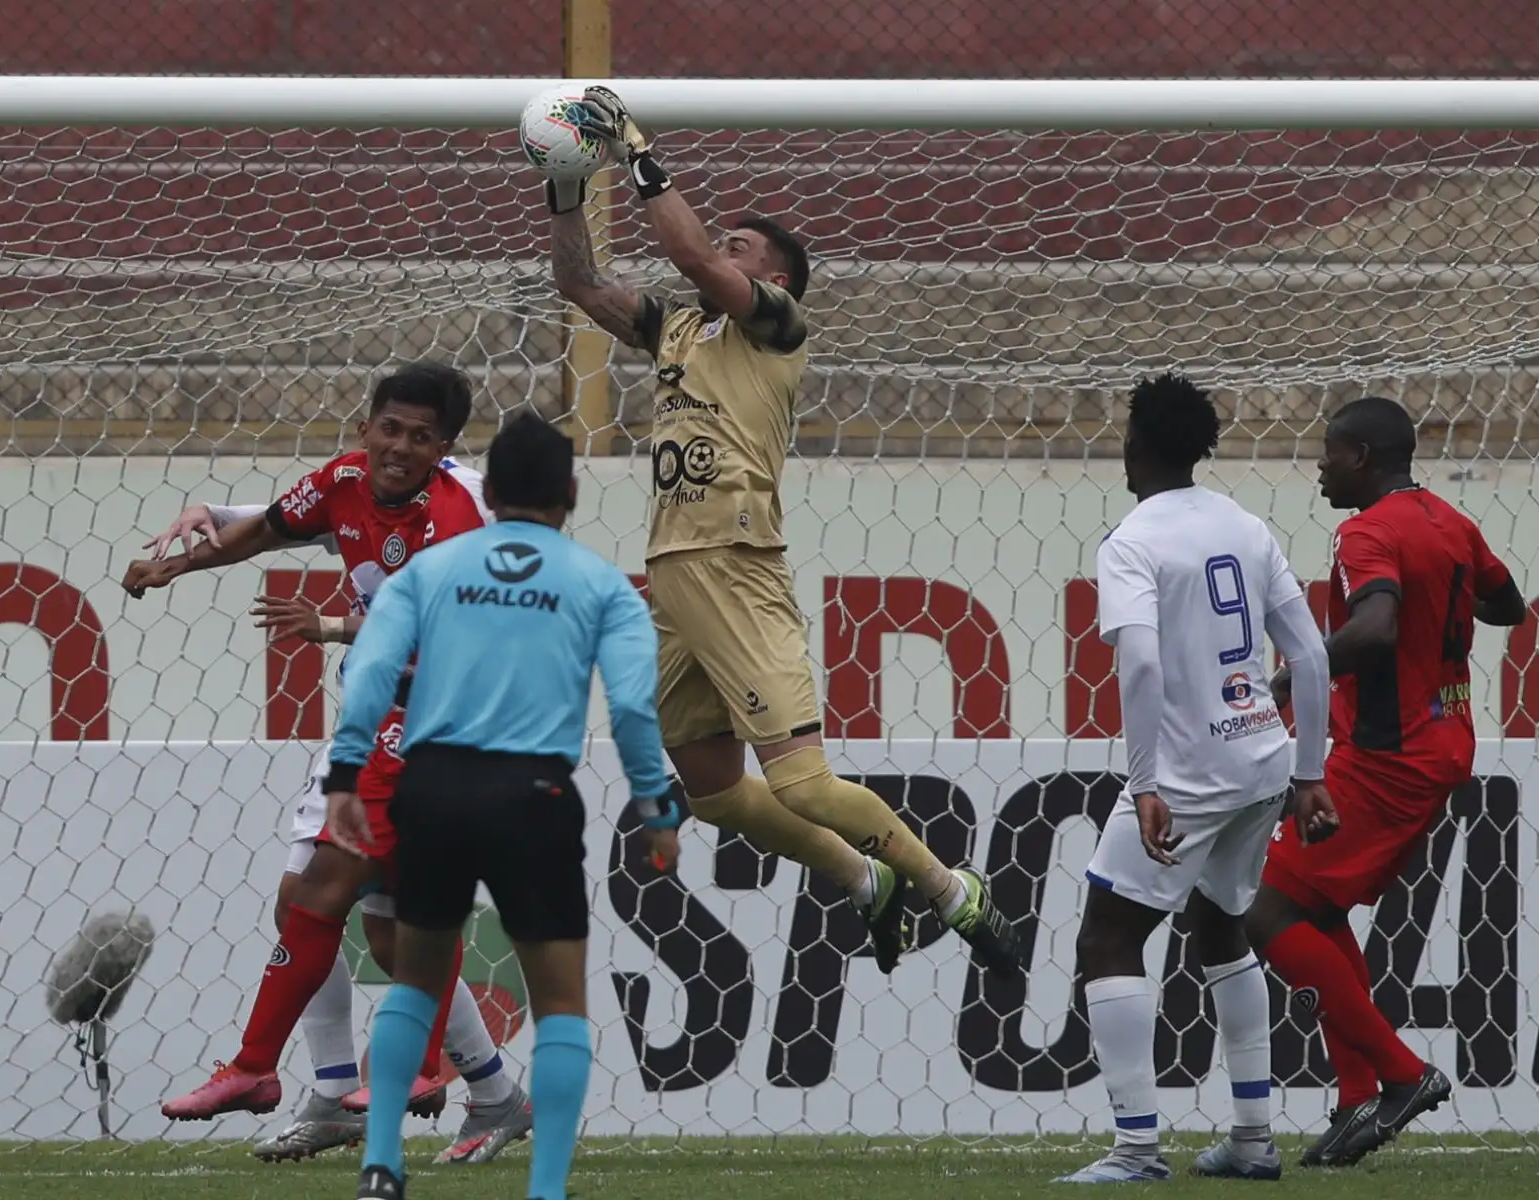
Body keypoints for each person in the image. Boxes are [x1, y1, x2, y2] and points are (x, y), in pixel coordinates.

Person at [546, 86, 1019, 977]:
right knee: (715, 792)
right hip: (675, 572)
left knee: (800, 779)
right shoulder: (681, 331)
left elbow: (686, 250)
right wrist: (569, 182)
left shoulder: (776, 328)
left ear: (774, 281)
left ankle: (951, 888)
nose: (723, 246)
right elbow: (577, 281)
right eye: (726, 239)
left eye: (743, 248)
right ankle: (860, 880)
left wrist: (633, 149)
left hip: (736, 562)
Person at [125, 364, 532, 1165]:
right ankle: (474, 1093)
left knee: (343, 899)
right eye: (390, 429)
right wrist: (182, 560)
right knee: (360, 922)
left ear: (444, 448)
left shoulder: (460, 516)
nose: (401, 447)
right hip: (379, 717)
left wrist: (335, 625)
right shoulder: (346, 480)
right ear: (366, 426)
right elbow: (275, 524)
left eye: (421, 437)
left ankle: (302, 1073)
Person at [324, 411, 676, 1200]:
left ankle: (381, 1164)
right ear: (572, 493)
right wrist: (657, 810)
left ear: (491, 491)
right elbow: (632, 711)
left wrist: (346, 775)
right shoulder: (599, 585)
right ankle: (545, 1190)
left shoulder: (431, 569)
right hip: (533, 798)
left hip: (433, 791)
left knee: (414, 984)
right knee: (559, 1005)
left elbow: (374, 669)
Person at [1053, 375, 1334, 1185]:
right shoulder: (1242, 524)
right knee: (1221, 931)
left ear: (1135, 445)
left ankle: (1138, 1150)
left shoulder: (1133, 540)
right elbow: (1310, 655)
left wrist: (1146, 782)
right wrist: (1309, 771)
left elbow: (1138, 660)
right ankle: (1252, 1139)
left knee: (1107, 938)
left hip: (1186, 775)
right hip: (1261, 762)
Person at [1248, 396, 1528, 1168]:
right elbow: (1506, 604)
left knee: (1262, 909)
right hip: (1442, 736)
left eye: (1330, 452)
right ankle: (1354, 1095)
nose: (1319, 466)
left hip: (1387, 754)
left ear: (1362, 456)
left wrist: (1297, 675)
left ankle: (1403, 1077)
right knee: (1317, 904)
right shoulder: (1447, 520)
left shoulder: (1365, 531)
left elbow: (1373, 628)